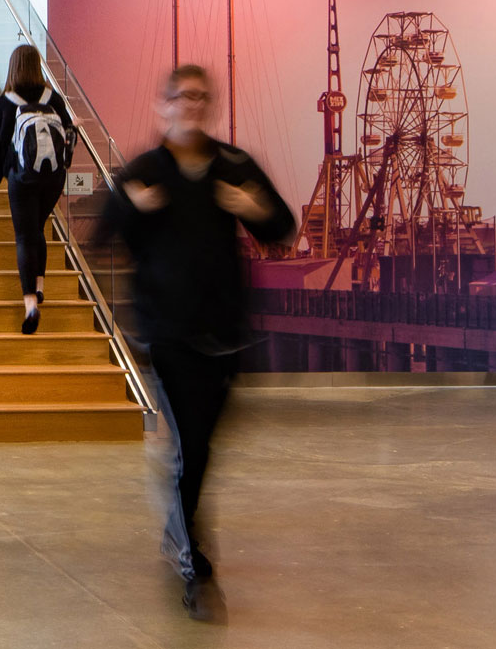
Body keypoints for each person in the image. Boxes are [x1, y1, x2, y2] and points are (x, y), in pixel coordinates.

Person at [97, 64, 294, 618]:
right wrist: (131, 209)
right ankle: (196, 567)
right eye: (181, 97)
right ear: (163, 105)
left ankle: (176, 524)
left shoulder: (234, 165)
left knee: (201, 448)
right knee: (191, 449)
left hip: (225, 336)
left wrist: (252, 209)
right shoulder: (144, 170)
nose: (192, 105)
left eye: (201, 97)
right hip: (167, 333)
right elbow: (102, 233)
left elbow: (282, 227)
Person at [0, 44, 76, 335]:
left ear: (13, 67)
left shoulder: (6, 101)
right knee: (39, 228)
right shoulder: (53, 98)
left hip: (21, 178)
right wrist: (65, 166)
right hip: (53, 177)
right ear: (37, 66)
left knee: (25, 236)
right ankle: (41, 285)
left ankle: (30, 304)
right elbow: (69, 133)